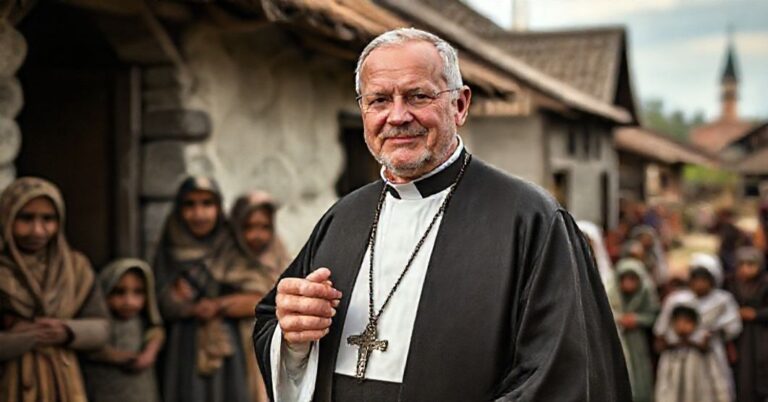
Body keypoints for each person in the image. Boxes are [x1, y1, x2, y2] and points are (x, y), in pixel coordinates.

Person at [252, 28, 630, 401]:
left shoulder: (531, 220)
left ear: (460, 105)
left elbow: (563, 375)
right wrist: (295, 338)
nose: (397, 116)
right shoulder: (343, 218)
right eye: (379, 100)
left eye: (418, 96)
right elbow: (275, 324)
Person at [0, 177, 109, 401]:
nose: (37, 230)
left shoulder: (75, 267)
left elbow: (102, 327)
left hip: (65, 382)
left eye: (48, 219)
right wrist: (23, 338)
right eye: (26, 218)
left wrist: (67, 331)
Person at [153, 177, 249, 402]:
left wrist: (219, 305)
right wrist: (179, 304)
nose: (199, 214)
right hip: (182, 343)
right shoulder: (170, 246)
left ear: (218, 207)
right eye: (190, 204)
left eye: (207, 204)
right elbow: (155, 299)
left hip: (228, 342)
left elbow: (260, 295)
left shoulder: (232, 246)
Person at [219, 191, 291, 401]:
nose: (257, 235)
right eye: (248, 227)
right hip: (235, 353)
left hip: (273, 348)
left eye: (264, 227)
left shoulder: (280, 259)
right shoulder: (224, 262)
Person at [654, 253, 742, 402]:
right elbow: (662, 328)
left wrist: (707, 335)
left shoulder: (722, 300)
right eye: (696, 279)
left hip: (709, 357)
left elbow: (733, 326)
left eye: (704, 280)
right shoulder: (676, 300)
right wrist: (678, 337)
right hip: (677, 356)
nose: (700, 284)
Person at [655, 303, 731, 402]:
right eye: (678, 322)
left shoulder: (703, 351)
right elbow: (663, 379)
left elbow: (716, 377)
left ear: (695, 324)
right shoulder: (669, 352)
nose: (682, 326)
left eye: (687, 322)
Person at [726, 247, 768, 402]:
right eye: (741, 265)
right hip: (738, 336)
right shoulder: (730, 283)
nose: (745, 269)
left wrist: (756, 314)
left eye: (751, 264)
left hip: (761, 335)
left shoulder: (765, 283)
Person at [615, 258, 659, 402]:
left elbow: (653, 314)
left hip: (638, 341)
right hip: (619, 339)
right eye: (625, 279)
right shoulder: (612, 294)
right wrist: (619, 319)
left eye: (632, 279)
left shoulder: (645, 293)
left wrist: (637, 319)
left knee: (640, 373)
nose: (628, 283)